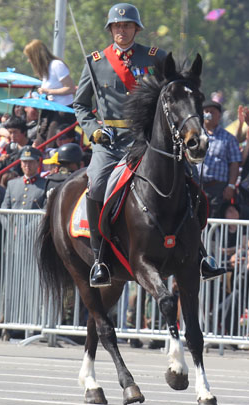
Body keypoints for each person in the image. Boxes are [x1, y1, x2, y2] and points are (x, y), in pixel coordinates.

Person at [74, 3, 167, 286]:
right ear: (111, 29)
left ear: (136, 29)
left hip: (146, 139)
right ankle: (100, 257)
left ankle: (198, 253)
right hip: (110, 141)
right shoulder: (95, 61)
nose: (121, 30)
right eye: (117, 26)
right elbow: (80, 104)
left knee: (181, 178)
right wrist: (92, 130)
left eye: (127, 26)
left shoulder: (155, 57)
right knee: (97, 183)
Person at [23, 39, 76, 144]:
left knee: (50, 143)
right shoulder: (45, 71)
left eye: (30, 57)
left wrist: (48, 91)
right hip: (50, 111)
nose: (29, 61)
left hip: (62, 111)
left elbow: (70, 88)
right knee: (40, 141)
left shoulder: (57, 65)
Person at [196, 99, 241, 216]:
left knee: (214, 218)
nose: (209, 115)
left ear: (219, 116)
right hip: (196, 185)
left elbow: (235, 164)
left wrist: (231, 186)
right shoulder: (195, 136)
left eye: (212, 112)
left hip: (218, 188)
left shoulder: (228, 138)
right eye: (206, 111)